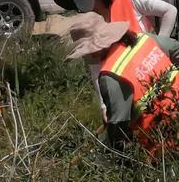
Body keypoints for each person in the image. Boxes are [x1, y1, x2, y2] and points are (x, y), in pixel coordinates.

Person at [54, 0, 179, 120]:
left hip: (151, 70)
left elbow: (170, 11)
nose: (79, 0)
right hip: (125, 86)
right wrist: (104, 105)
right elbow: (96, 69)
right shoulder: (90, 23)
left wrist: (160, 45)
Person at [68, 12, 179, 153]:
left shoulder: (111, 74)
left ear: (94, 49)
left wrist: (111, 124)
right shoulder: (144, 38)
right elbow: (176, 49)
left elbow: (119, 131)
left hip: (166, 144)